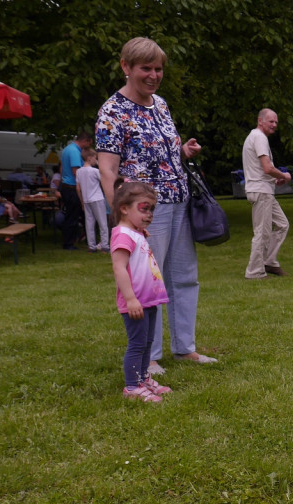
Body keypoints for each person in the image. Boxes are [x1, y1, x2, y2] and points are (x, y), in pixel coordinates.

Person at [97, 36, 215, 376]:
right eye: (145, 68)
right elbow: (108, 169)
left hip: (179, 201)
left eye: (158, 69)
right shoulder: (112, 112)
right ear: (126, 67)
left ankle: (185, 348)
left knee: (184, 277)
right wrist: (124, 221)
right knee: (148, 281)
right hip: (145, 211)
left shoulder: (160, 104)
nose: (153, 75)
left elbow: (160, 154)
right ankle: (149, 355)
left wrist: (183, 152)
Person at [109, 182, 172, 403]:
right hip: (136, 302)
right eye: (144, 209)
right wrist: (130, 299)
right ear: (124, 208)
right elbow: (119, 268)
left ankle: (143, 378)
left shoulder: (134, 233)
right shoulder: (123, 236)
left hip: (149, 300)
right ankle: (132, 387)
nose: (149, 214)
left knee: (147, 343)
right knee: (137, 344)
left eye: (151, 209)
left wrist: (139, 232)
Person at [242, 108, 292, 279]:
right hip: (261, 191)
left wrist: (274, 179)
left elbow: (263, 170)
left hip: (265, 189)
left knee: (282, 224)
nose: (274, 125)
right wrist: (283, 176)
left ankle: (269, 261)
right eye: (271, 121)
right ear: (260, 121)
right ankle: (254, 271)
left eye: (276, 122)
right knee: (261, 233)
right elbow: (267, 167)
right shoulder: (259, 137)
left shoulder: (256, 137)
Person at [59, 131, 93, 250]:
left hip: (65, 185)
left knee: (72, 215)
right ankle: (68, 243)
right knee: (72, 216)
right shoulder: (74, 151)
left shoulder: (68, 149)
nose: (88, 147)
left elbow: (62, 167)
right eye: (88, 144)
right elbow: (76, 171)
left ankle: (74, 239)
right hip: (72, 188)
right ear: (85, 140)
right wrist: (83, 187)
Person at [76, 148, 109, 253]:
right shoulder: (95, 171)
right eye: (95, 158)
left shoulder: (79, 171)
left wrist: (81, 201)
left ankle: (91, 246)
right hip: (97, 198)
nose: (96, 160)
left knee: (89, 223)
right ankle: (104, 245)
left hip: (86, 200)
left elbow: (78, 188)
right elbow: (104, 181)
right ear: (90, 158)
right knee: (102, 223)